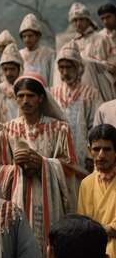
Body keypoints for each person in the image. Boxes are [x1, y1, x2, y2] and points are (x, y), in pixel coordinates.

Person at [0, 73, 76, 258]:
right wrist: (13, 168)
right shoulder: (6, 129)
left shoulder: (58, 128)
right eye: (20, 96)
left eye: (30, 95)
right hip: (17, 203)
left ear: (41, 98)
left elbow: (70, 167)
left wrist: (44, 164)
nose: (25, 101)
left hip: (49, 205)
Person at [50, 40, 101, 173]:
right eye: (62, 67)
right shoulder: (53, 93)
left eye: (69, 67)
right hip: (58, 155)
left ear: (78, 67)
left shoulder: (90, 93)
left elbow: (94, 126)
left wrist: (91, 155)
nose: (65, 72)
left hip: (83, 156)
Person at [78, 124, 116, 258]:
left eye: (106, 149)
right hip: (93, 254)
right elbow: (83, 222)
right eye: (96, 149)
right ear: (89, 150)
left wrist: (107, 229)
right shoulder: (86, 183)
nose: (100, 155)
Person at [68, 1, 115, 101]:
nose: (78, 23)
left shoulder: (102, 38)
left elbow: (112, 65)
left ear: (88, 21)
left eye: (81, 19)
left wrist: (90, 63)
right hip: (81, 91)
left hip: (101, 88)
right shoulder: (72, 44)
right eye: (74, 20)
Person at [18, 13, 55, 86]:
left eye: (30, 36)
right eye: (24, 36)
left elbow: (52, 77)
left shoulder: (48, 53)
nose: (27, 39)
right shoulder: (19, 55)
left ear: (38, 36)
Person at [0, 42, 23, 119]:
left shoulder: (26, 87)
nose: (8, 73)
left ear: (19, 69)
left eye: (12, 69)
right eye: (5, 69)